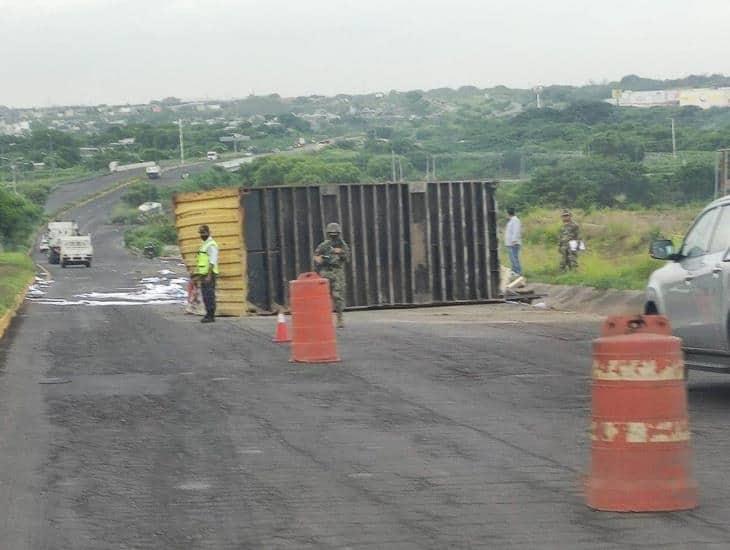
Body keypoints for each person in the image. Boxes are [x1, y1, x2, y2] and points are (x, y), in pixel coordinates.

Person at [313, 222, 351, 328]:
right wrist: (319, 260)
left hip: (337, 272)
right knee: (323, 297)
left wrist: (340, 252)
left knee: (337, 296)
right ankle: (324, 319)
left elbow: (347, 258)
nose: (333, 235)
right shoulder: (324, 245)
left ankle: (339, 318)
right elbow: (316, 256)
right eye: (331, 233)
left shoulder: (343, 245)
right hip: (325, 272)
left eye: (335, 233)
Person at [195, 224, 219, 323]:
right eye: (200, 233)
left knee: (209, 295)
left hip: (209, 274)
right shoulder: (204, 244)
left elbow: (212, 261)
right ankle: (208, 314)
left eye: (203, 233)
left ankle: (211, 315)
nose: (202, 235)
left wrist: (209, 275)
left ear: (208, 233)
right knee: (205, 295)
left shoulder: (211, 245)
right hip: (203, 274)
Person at [504, 207, 522, 276]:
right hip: (510, 243)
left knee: (514, 258)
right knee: (512, 258)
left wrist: (514, 240)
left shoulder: (515, 220)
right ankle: (514, 271)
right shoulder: (511, 220)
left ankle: (517, 272)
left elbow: (516, 231)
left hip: (513, 243)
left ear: (508, 213)